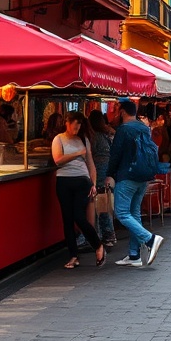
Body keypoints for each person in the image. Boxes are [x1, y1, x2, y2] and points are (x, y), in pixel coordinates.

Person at [105, 100, 164, 267]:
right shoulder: (143, 128)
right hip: (142, 177)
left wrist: (109, 174)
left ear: (123, 111)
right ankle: (133, 254)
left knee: (122, 213)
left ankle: (150, 239)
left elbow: (115, 155)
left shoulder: (123, 130)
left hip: (127, 176)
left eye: (117, 110)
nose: (116, 114)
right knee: (134, 213)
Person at [50, 111, 106, 270]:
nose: (76, 127)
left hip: (82, 181)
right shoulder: (58, 139)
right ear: (67, 123)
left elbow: (91, 164)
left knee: (78, 216)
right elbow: (58, 159)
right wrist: (77, 153)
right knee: (67, 219)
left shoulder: (84, 140)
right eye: (74, 124)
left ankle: (98, 245)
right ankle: (73, 256)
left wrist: (93, 184)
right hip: (63, 181)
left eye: (79, 124)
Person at [88, 110, 117, 248]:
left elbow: (90, 154)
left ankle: (107, 233)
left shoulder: (95, 137)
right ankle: (108, 233)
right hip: (108, 170)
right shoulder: (107, 135)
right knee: (105, 201)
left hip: (99, 170)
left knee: (101, 202)